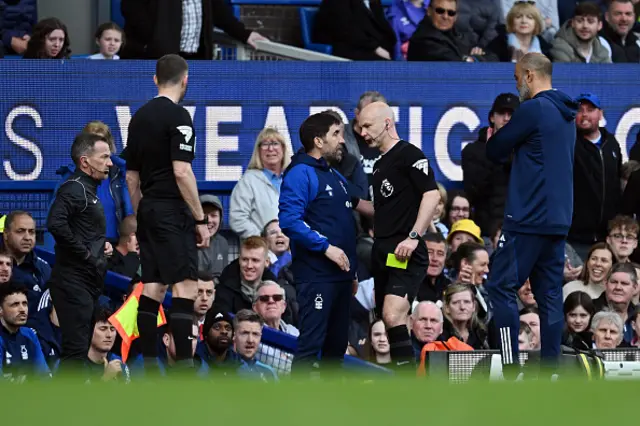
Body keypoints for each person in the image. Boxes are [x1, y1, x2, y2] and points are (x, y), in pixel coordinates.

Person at [484, 53, 578, 379]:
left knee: (500, 287)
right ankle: (550, 374)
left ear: (528, 76)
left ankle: (510, 369)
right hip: (558, 219)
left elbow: (494, 150)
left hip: (527, 217)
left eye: (516, 79)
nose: (517, 86)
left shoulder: (534, 109)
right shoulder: (567, 114)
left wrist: (500, 140)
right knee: (550, 295)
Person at [121, 54, 212, 372]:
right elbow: (182, 171)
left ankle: (149, 366)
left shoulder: (138, 118)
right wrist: (200, 218)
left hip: (148, 209)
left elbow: (131, 177)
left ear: (155, 79)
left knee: (154, 286)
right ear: (185, 80)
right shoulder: (179, 116)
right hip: (173, 210)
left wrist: (140, 213)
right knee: (185, 287)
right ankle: (184, 370)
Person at [357, 101, 440, 370]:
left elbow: (432, 193)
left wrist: (414, 236)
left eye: (368, 126)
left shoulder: (408, 154)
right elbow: (379, 211)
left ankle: (407, 386)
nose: (363, 132)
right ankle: (400, 375)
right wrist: (350, 200)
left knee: (392, 316)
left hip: (406, 249)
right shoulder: (379, 165)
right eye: (360, 127)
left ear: (387, 123)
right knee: (390, 319)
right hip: (384, 251)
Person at [279, 112, 359, 374]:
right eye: (336, 134)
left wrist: (352, 270)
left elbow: (350, 218)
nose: (342, 141)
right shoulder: (300, 172)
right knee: (310, 346)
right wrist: (326, 248)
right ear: (318, 141)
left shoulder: (334, 175)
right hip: (317, 277)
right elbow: (289, 221)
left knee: (336, 349)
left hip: (341, 277)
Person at [47, 132, 113, 372]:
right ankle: (63, 407)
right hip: (73, 281)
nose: (110, 163)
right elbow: (55, 223)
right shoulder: (74, 188)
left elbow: (78, 228)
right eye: (104, 157)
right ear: (85, 161)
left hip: (86, 283)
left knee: (79, 350)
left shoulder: (88, 191)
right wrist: (85, 253)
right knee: (75, 352)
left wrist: (100, 246)